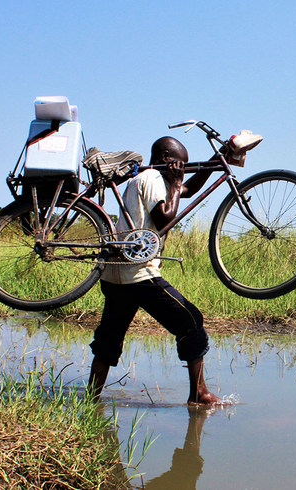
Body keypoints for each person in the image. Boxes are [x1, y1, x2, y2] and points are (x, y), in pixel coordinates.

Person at [87, 136, 221, 405]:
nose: (181, 170)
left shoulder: (153, 180)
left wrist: (217, 161)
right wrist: (176, 184)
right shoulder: (151, 179)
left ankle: (92, 398)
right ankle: (199, 393)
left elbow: (189, 190)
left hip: (117, 275)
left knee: (109, 337)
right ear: (164, 160)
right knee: (191, 322)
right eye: (178, 164)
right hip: (139, 273)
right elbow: (164, 217)